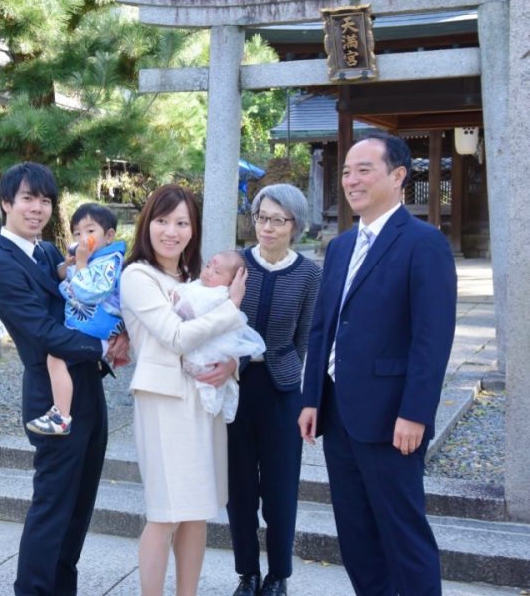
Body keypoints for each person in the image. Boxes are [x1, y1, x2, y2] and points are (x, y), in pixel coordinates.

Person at [299, 132, 457, 596]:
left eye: (364, 169)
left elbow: (432, 340)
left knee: (402, 533)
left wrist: (415, 413)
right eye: (347, 171)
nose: (351, 180)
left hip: (392, 418)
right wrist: (312, 398)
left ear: (398, 175)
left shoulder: (423, 243)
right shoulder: (341, 246)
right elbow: (322, 327)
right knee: (356, 535)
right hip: (339, 414)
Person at [0, 162, 128, 596]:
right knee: (52, 507)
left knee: (79, 506)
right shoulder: (0, 265)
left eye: (45, 200)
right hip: (51, 397)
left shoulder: (47, 252)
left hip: (88, 390)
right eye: (27, 199)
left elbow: (87, 302)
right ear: (6, 202)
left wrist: (117, 334)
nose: (37, 209)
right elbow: (43, 333)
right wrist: (102, 348)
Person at [119, 184, 246, 596]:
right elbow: (175, 336)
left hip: (202, 402)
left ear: (194, 230)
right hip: (163, 402)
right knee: (165, 512)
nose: (171, 231)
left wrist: (231, 364)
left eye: (181, 222)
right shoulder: (138, 275)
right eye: (162, 221)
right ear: (147, 225)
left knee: (196, 511)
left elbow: (221, 342)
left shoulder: (193, 277)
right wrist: (231, 307)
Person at [219, 185, 322, 596]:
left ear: (294, 225)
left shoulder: (310, 274)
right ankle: (247, 573)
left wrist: (296, 381)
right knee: (238, 487)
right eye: (262, 216)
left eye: (278, 220)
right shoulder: (238, 264)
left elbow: (306, 338)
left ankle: (279, 574)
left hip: (282, 390)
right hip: (236, 384)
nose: (267, 227)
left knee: (280, 488)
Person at [27, 202, 126, 436]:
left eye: (90, 231)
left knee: (55, 356)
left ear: (109, 235)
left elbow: (89, 291)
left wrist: (80, 263)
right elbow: (66, 277)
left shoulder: (109, 262)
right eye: (77, 233)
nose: (83, 237)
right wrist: (69, 265)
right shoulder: (91, 259)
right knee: (57, 359)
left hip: (97, 327)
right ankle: (61, 413)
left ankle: (61, 416)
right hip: (85, 326)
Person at [171, 250, 266, 423]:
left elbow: (191, 311)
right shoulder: (200, 285)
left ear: (232, 281)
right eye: (208, 266)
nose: (208, 272)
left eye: (217, 272)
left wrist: (175, 299)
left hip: (207, 354)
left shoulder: (219, 295)